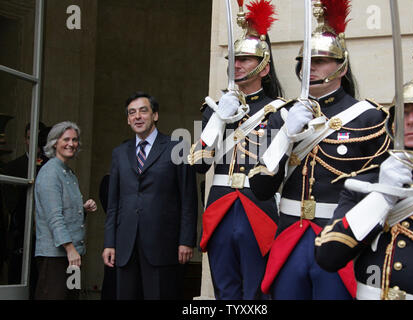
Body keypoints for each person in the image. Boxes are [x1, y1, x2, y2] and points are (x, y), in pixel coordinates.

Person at [249, 0, 390, 299]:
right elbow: (261, 187)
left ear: (342, 66)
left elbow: (379, 192)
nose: (310, 68)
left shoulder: (368, 117)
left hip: (336, 239)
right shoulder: (283, 115)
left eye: (321, 61)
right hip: (288, 236)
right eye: (306, 62)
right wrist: (285, 135)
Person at [314, 16, 413, 300]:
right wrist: (382, 195)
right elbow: (328, 256)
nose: (410, 121)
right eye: (403, 113)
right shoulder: (362, 185)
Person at [188, 0, 287, 300]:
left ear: (264, 67)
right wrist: (219, 118)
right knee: (225, 290)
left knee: (256, 292)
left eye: (245, 59)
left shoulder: (278, 112)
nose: (238, 64)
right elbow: (197, 163)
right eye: (235, 58)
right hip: (219, 207)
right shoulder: (214, 108)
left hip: (258, 206)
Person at [102, 92, 198, 300]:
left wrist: (186, 240)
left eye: (143, 111)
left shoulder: (177, 147)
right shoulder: (120, 153)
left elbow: (188, 199)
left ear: (155, 115)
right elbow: (113, 203)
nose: (137, 116)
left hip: (163, 244)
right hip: (125, 244)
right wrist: (109, 242)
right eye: (132, 113)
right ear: (128, 119)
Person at [34, 121, 97, 300]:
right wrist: (70, 249)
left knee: (72, 297)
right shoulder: (49, 173)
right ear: (54, 142)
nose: (71, 143)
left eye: (75, 140)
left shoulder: (68, 173)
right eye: (66, 139)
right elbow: (54, 217)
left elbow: (65, 211)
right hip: (56, 256)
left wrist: (82, 209)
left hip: (73, 256)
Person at [2, 122, 49, 294]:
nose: (34, 142)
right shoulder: (12, 168)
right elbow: (11, 205)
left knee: (42, 287)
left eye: (38, 138)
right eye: (30, 138)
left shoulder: (52, 166)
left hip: (46, 240)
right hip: (19, 238)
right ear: (25, 140)